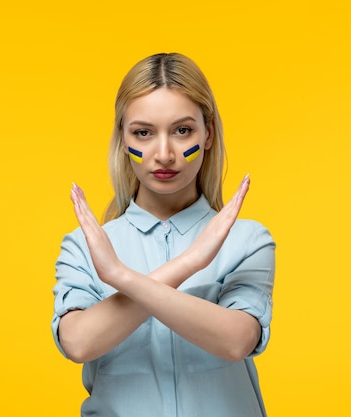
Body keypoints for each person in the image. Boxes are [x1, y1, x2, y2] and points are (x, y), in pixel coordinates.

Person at [51, 53, 276, 417]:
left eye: (182, 130)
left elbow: (237, 341)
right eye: (143, 132)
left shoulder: (247, 241)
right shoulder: (85, 246)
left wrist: (121, 278)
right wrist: (189, 263)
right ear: (124, 140)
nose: (165, 154)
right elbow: (77, 342)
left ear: (208, 135)